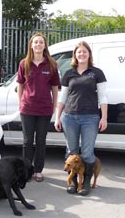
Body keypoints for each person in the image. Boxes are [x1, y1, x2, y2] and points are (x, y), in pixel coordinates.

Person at [55, 40, 108, 196]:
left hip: (90, 118)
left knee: (86, 153)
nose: (82, 54)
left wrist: (103, 117)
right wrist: (57, 117)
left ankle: (85, 182)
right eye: (79, 52)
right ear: (75, 55)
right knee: (71, 151)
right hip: (69, 117)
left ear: (89, 54)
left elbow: (103, 97)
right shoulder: (69, 73)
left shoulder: (96, 73)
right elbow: (62, 97)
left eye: (85, 51)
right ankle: (71, 182)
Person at [17, 33, 60, 182]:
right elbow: (20, 85)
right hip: (27, 108)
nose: (38, 45)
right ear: (31, 45)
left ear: (44, 46)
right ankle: (26, 169)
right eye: (35, 42)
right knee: (27, 141)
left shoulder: (52, 64)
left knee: (41, 140)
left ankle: (38, 170)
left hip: (44, 109)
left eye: (41, 42)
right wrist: (20, 103)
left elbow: (55, 87)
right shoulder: (24, 63)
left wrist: (54, 105)